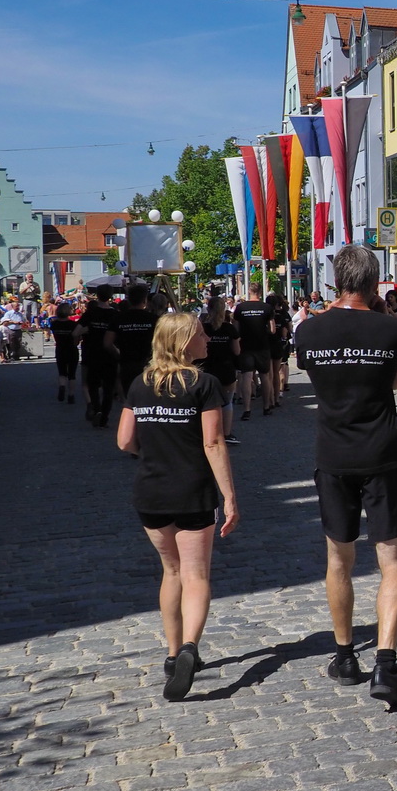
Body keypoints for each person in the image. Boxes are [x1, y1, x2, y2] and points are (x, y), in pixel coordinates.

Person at [293, 244, 397, 708]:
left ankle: (345, 656)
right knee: (393, 560)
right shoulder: (392, 328)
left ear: (337, 281)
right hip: (381, 453)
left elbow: (313, 373)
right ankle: (386, 664)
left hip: (333, 454)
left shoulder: (309, 330)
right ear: (373, 282)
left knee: (338, 559)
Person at [116, 313, 239, 701]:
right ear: (184, 342)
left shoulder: (141, 384)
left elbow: (124, 441)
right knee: (196, 574)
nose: (207, 339)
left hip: (151, 491)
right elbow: (213, 443)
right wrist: (230, 497)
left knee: (171, 571)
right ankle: (189, 647)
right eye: (201, 334)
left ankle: (172, 655)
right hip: (192, 490)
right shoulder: (204, 384)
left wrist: (154, 448)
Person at [115, 284, 160, 417]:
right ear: (145, 300)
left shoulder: (120, 318)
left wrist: (118, 353)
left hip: (126, 362)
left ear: (129, 299)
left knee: (130, 399)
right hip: (148, 363)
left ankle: (131, 421)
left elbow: (107, 342)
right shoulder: (153, 319)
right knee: (149, 397)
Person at [201, 296, 240, 446]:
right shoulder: (229, 328)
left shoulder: (203, 328)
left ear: (208, 308)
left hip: (206, 368)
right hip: (225, 368)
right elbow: (237, 351)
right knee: (227, 402)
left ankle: (206, 433)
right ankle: (226, 433)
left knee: (204, 403)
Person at [233, 284, 275, 420]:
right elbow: (272, 330)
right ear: (260, 292)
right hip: (262, 346)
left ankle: (247, 409)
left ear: (249, 292)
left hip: (246, 346)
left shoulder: (240, 308)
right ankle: (266, 407)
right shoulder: (267, 308)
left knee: (246, 377)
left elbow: (235, 329)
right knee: (264, 376)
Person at [81, 285, 121, 428]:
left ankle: (96, 409)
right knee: (108, 388)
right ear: (110, 296)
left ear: (97, 295)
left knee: (93, 385)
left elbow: (76, 331)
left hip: (92, 353)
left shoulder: (90, 313)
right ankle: (104, 417)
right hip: (109, 354)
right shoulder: (115, 314)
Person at [51, 300, 80, 404]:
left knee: (62, 372)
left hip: (60, 349)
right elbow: (76, 340)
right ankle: (71, 395)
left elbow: (54, 336)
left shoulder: (54, 324)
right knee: (72, 374)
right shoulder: (73, 325)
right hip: (71, 349)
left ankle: (62, 386)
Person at [267, 293, 292, 402]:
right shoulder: (283, 314)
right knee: (278, 371)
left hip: (268, 344)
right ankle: (278, 395)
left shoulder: (267, 314)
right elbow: (288, 329)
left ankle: (270, 398)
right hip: (279, 344)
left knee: (269, 373)